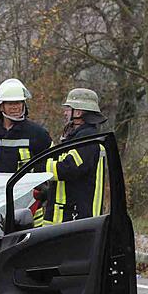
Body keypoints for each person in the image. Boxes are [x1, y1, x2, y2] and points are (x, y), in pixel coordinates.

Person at [40, 88, 108, 225]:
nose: (65, 113)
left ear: (78, 112)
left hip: (78, 218)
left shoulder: (87, 139)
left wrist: (39, 168)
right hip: (67, 217)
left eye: (68, 109)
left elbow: (68, 168)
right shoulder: (76, 138)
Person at [0, 78, 52, 174]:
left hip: (26, 184)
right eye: (10, 103)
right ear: (1, 107)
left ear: (24, 104)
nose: (15, 107)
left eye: (18, 102)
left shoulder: (37, 133)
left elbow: (53, 159)